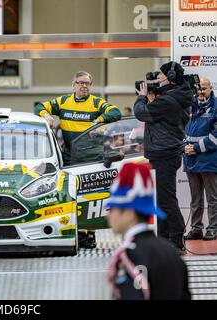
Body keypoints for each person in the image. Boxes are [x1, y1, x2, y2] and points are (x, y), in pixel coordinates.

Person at [34, 71, 121, 249]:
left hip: (92, 155)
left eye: (88, 84)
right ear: (73, 84)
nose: (84, 86)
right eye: (81, 83)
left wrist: (99, 120)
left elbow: (116, 112)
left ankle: (90, 233)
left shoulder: (96, 102)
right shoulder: (63, 101)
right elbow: (38, 107)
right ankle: (78, 230)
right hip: (71, 156)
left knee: (93, 193)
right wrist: (47, 115)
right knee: (73, 193)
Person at [106, 162, 190, 300]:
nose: (108, 215)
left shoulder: (129, 256)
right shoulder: (172, 253)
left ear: (129, 214)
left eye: (112, 209)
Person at [134, 61, 193, 254]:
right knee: (162, 199)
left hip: (165, 154)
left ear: (172, 77)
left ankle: (176, 239)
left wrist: (142, 98)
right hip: (164, 153)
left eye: (160, 75)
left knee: (166, 199)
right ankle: (164, 238)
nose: (157, 79)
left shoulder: (169, 100)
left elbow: (141, 113)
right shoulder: (174, 96)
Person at [183, 77, 217, 241]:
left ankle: (213, 228)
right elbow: (180, 128)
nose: (201, 91)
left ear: (211, 88)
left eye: (204, 88)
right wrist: (184, 146)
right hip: (190, 159)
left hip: (209, 159)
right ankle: (196, 228)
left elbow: (216, 137)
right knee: (195, 198)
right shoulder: (190, 106)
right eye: (198, 88)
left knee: (212, 198)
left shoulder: (216, 107)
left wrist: (195, 148)